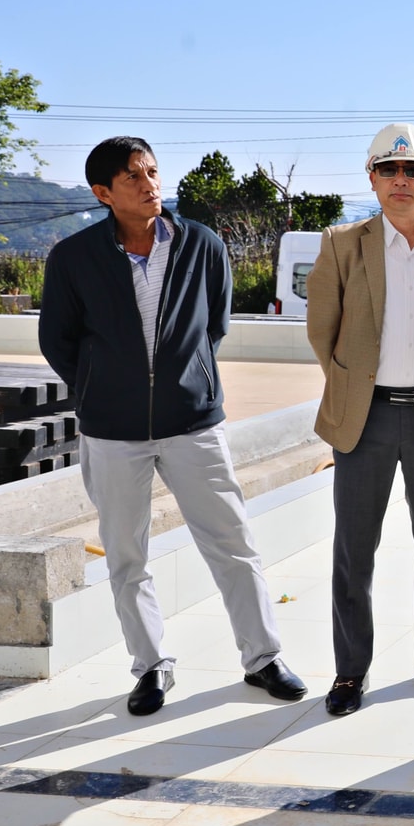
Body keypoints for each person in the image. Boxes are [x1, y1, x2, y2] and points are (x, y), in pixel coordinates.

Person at [38, 136, 305, 716]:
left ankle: (263, 657)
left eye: (153, 172)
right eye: (133, 177)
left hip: (193, 424)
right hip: (112, 431)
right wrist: (104, 388)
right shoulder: (74, 257)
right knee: (125, 555)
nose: (150, 184)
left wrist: (189, 381)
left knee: (232, 543)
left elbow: (215, 325)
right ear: (103, 193)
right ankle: (151, 665)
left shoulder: (201, 244)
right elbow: (57, 340)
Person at [306, 122, 414, 716]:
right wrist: (356, 387)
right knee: (354, 552)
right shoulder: (342, 244)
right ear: (373, 179)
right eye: (389, 169)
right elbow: (322, 330)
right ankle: (350, 671)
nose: (401, 180)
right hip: (366, 419)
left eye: (413, 170)